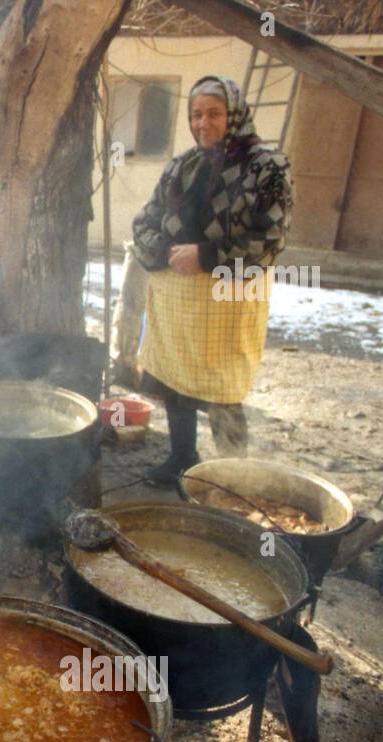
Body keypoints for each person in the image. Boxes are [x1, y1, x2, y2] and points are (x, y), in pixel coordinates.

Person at [132, 74, 293, 485]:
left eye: (214, 113)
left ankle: (231, 478)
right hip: (180, 298)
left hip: (228, 298)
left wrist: (205, 256)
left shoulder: (267, 167)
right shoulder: (182, 165)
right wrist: (163, 251)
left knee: (224, 389)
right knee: (176, 382)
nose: (203, 123)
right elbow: (144, 221)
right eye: (196, 114)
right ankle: (182, 459)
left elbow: (269, 242)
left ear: (235, 114)